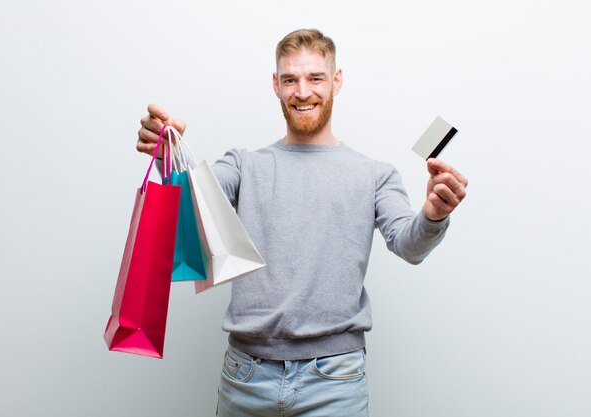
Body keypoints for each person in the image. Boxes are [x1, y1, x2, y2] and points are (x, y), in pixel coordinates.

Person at [136, 29, 467, 417]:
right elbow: (196, 200)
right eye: (290, 79)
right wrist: (168, 150)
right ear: (276, 85)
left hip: (335, 382)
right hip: (246, 376)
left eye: (315, 78)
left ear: (336, 81)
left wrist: (433, 215)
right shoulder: (245, 165)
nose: (302, 91)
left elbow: (409, 245)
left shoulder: (374, 174)